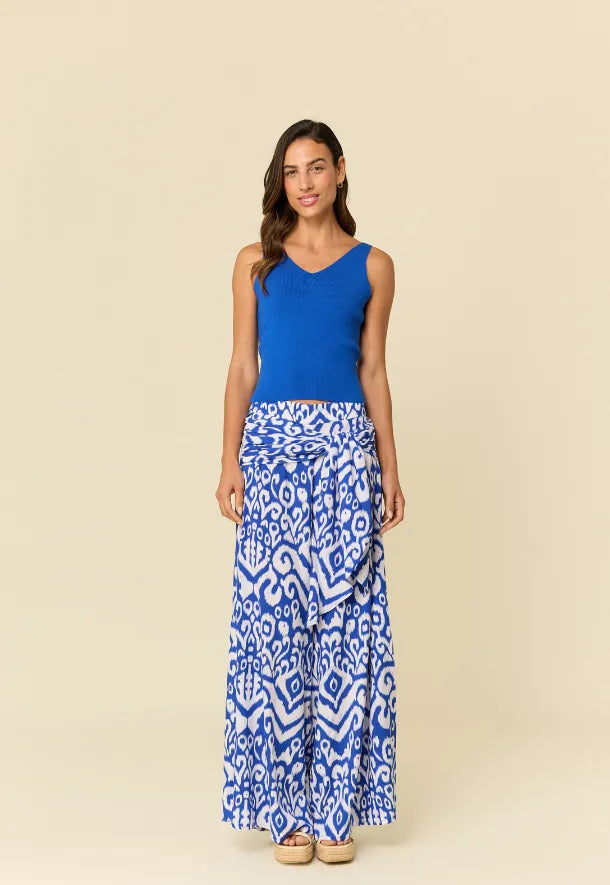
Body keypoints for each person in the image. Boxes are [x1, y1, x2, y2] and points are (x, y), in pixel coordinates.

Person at [217, 119, 405, 865]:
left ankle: (334, 811)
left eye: (317, 167)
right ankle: (284, 812)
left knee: (347, 629)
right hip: (270, 452)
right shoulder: (254, 263)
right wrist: (228, 460)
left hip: (345, 454)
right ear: (281, 181)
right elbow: (242, 366)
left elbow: (374, 371)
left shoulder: (374, 266)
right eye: (292, 171)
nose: (305, 183)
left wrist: (390, 468)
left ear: (340, 171)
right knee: (275, 629)